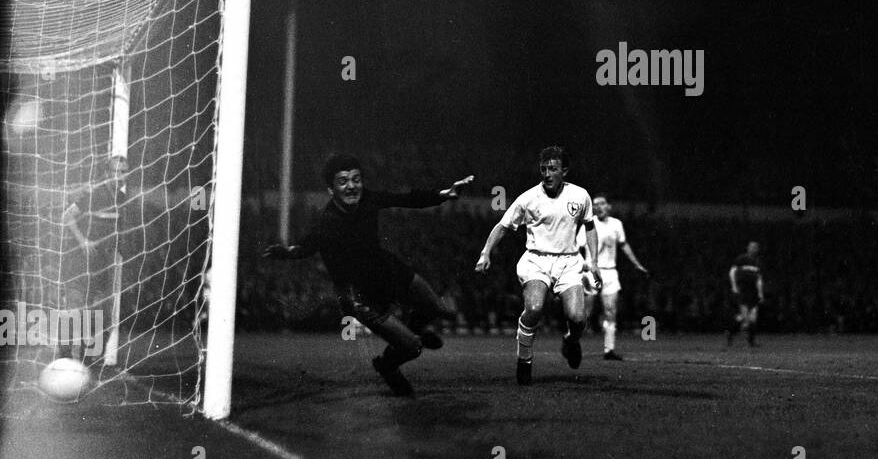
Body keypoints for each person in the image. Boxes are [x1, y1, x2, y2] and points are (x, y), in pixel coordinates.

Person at [263, 153, 472, 396]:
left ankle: (413, 328)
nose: (351, 186)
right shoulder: (327, 224)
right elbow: (304, 248)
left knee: (440, 309)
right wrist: (287, 253)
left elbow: (405, 199)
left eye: (356, 179)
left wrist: (445, 194)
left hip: (387, 271)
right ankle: (388, 366)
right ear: (331, 190)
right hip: (359, 295)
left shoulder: (368, 198)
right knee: (412, 348)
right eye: (343, 182)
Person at [475, 145, 600, 385]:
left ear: (564, 171)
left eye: (552, 169)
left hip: (569, 261)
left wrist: (593, 261)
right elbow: (502, 225)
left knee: (577, 318)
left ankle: (571, 341)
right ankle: (524, 360)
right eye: (543, 169)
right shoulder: (528, 198)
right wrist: (485, 252)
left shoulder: (580, 196)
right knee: (534, 308)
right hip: (536, 260)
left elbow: (590, 226)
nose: (547, 174)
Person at [60, 154, 128, 362]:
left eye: (123, 171)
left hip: (103, 263)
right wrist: (83, 241)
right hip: (81, 260)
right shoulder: (94, 194)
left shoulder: (123, 200)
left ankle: (86, 361)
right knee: (76, 309)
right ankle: (63, 358)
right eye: (115, 171)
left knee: (101, 314)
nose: (120, 176)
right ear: (107, 173)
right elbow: (66, 217)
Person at [582, 193, 650, 360]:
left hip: (611, 272)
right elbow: (577, 247)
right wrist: (582, 265)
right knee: (586, 312)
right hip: (592, 271)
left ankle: (609, 350)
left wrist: (636, 264)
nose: (598, 206)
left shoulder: (616, 224)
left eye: (602, 203)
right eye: (595, 204)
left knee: (611, 311)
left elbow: (624, 244)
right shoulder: (588, 225)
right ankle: (572, 342)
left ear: (609, 206)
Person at [727, 241, 764, 347]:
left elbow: (759, 279)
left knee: (752, 318)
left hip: (753, 292)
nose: (754, 249)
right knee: (745, 318)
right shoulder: (741, 259)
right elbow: (732, 272)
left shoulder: (758, 262)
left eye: (756, 247)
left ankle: (750, 342)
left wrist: (760, 293)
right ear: (748, 248)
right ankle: (731, 334)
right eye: (752, 247)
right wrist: (734, 285)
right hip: (742, 290)